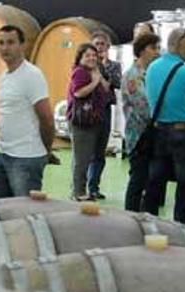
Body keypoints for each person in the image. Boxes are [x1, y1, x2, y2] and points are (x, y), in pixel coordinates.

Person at [143, 28, 185, 226]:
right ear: (178, 44)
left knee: (155, 183)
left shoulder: (152, 68)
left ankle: (149, 226)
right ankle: (182, 230)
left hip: (157, 133)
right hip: (182, 135)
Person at [0, 25, 55, 198]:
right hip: (2, 154)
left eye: (11, 42)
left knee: (25, 214)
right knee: (1, 212)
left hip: (26, 158)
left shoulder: (31, 75)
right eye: (1, 43)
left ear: (22, 45)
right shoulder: (4, 76)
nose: (5, 48)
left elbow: (47, 119)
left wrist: (46, 150)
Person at [123, 33, 162, 211]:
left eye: (158, 48)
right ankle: (131, 218)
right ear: (141, 51)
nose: (157, 52)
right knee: (138, 181)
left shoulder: (153, 73)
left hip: (155, 135)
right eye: (153, 48)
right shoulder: (133, 76)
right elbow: (143, 106)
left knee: (154, 182)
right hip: (139, 137)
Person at [67, 43, 109, 201]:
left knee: (85, 157)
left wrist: (98, 75)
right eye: (87, 55)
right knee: (81, 159)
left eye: (94, 55)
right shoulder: (79, 72)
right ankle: (78, 192)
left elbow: (106, 88)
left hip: (93, 121)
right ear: (80, 58)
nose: (92, 58)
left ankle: (79, 190)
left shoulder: (94, 71)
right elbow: (78, 92)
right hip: (81, 122)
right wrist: (94, 82)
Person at [85, 31, 121, 200]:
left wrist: (104, 65)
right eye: (96, 44)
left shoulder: (114, 66)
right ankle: (80, 186)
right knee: (86, 150)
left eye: (102, 44)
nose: (99, 47)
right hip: (88, 109)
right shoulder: (85, 64)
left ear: (108, 46)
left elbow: (117, 83)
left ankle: (94, 187)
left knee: (99, 151)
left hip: (105, 109)